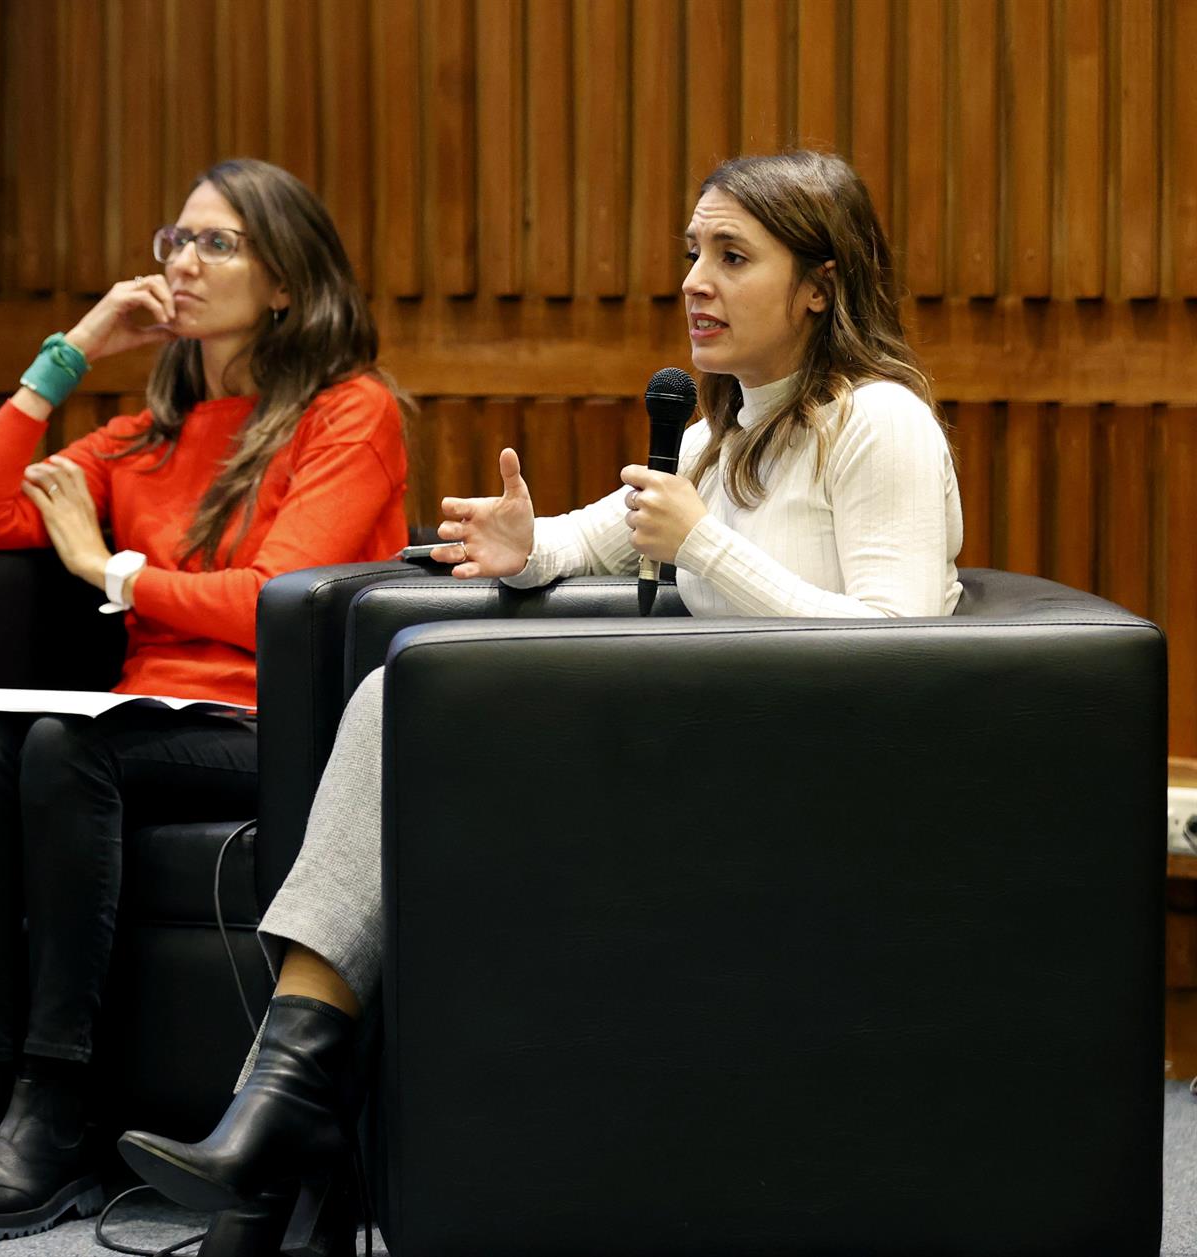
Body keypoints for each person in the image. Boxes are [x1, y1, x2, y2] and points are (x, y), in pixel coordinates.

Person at [118, 149, 965, 1250]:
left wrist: (706, 546)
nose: (695, 282)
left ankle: (282, 1135)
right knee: (399, 702)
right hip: (715, 769)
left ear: (820, 285)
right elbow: (590, 537)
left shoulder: (879, 422)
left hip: (815, 800)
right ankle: (282, 1117)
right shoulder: (718, 438)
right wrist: (523, 543)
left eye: (732, 256)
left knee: (413, 725)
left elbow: (904, 659)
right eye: (693, 253)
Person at [0, 158, 409, 1241]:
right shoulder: (149, 435)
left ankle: (58, 1113)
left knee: (66, 745)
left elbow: (273, 603)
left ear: (285, 282)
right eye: (176, 240)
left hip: (273, 729)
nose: (184, 263)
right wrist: (75, 348)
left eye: (218, 243)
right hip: (149, 723)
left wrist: (108, 569)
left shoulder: (351, 413)